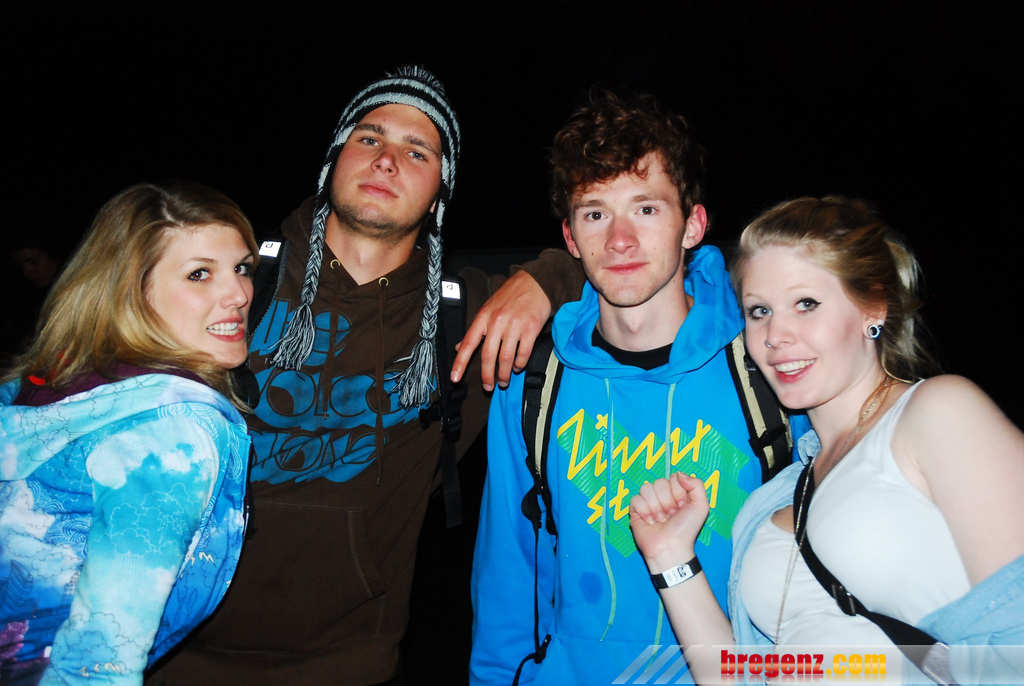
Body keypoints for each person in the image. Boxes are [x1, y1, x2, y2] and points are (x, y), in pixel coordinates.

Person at [147, 66, 583, 686]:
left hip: (350, 664)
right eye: (369, 138)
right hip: (167, 652)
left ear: (440, 190)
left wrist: (546, 279)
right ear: (334, 157)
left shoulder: (464, 315)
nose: (386, 160)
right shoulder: (236, 278)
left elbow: (635, 270)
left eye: (417, 151)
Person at [470, 88, 804, 685]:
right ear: (570, 238)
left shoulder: (770, 366)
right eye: (595, 213)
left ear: (693, 224)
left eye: (646, 209)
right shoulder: (532, 383)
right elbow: (508, 575)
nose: (619, 240)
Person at [629, 196, 1024, 683]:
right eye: (759, 311)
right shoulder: (777, 496)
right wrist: (671, 557)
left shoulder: (936, 413)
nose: (776, 335)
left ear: (872, 306)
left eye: (806, 304)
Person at [0, 182, 255, 685]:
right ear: (132, 292)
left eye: (242, 268)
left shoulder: (56, 381)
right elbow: (98, 661)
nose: (240, 294)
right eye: (200, 273)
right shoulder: (171, 431)